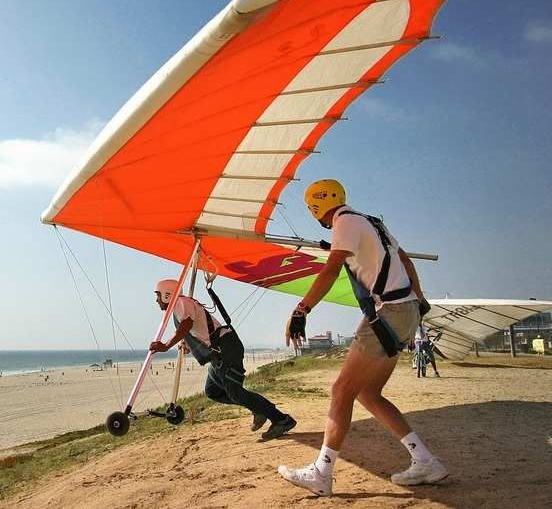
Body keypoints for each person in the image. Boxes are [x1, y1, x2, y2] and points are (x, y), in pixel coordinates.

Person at [278, 179, 450, 496]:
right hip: (406, 310)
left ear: (315, 206)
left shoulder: (343, 223)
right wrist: (420, 300)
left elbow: (330, 270)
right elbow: (405, 261)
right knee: (369, 393)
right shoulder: (371, 222)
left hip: (388, 314)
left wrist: (301, 310)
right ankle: (425, 461)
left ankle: (321, 474)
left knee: (341, 391)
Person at [149, 279, 297, 440]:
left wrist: (165, 346)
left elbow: (187, 324)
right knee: (213, 391)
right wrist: (189, 345)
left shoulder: (180, 302)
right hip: (217, 352)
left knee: (235, 393)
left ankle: (281, 419)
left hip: (226, 348)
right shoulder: (180, 307)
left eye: (158, 295)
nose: (156, 300)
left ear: (167, 294)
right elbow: (198, 329)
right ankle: (258, 408)